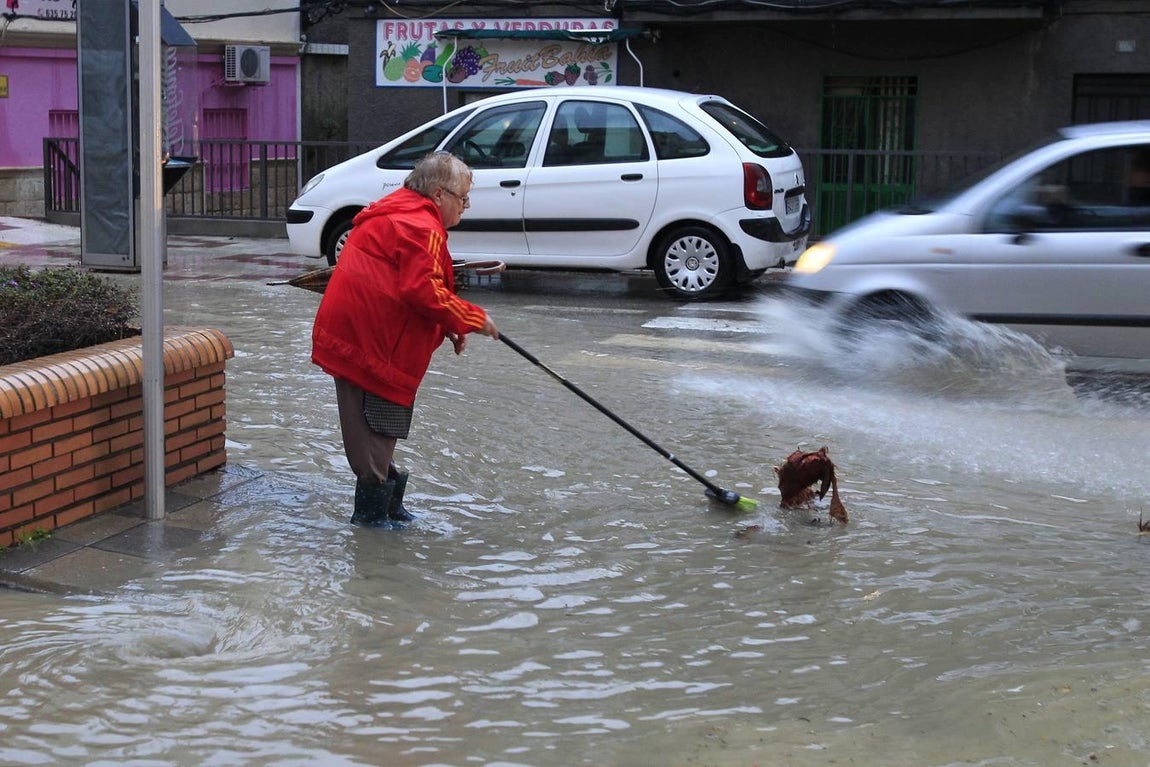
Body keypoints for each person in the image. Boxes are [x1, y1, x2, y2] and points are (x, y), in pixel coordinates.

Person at [311, 151, 498, 528]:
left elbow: (406, 285)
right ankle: (374, 535)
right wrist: (473, 318)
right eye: (463, 198)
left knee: (377, 430)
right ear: (439, 194)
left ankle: (389, 512)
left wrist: (450, 327)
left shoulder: (401, 213)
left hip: (364, 337)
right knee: (374, 435)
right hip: (370, 345)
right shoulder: (419, 225)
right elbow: (422, 291)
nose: (466, 206)